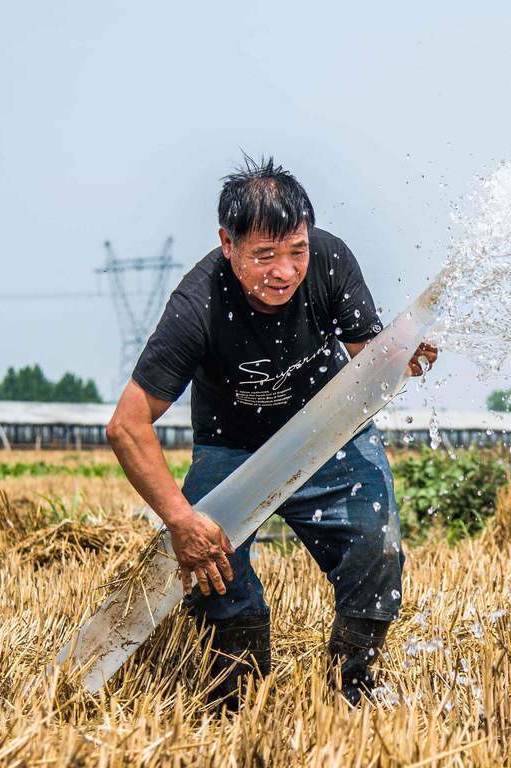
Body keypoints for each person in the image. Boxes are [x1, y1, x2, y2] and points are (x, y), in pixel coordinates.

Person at [105, 156, 437, 709]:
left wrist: (401, 359)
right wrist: (181, 521)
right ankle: (239, 698)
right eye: (264, 255)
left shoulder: (331, 262)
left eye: (296, 251)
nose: (284, 272)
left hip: (326, 433)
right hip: (232, 447)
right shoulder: (197, 304)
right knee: (214, 574)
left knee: (377, 549)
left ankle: (351, 687)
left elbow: (368, 359)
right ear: (227, 244)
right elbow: (127, 425)